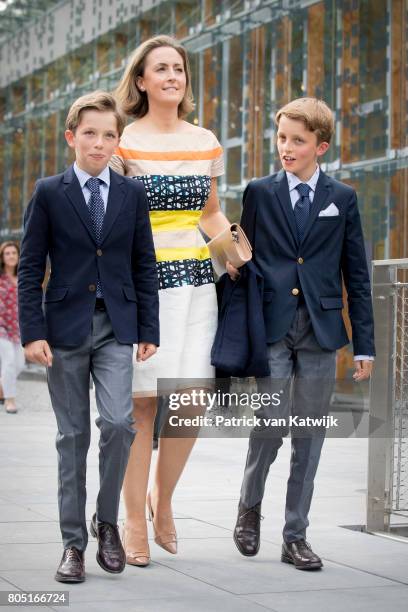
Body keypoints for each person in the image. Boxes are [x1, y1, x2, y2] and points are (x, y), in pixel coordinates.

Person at [18, 91, 159, 583]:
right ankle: (73, 545)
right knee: (72, 436)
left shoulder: (131, 194)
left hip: (118, 326)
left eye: (109, 135)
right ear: (71, 137)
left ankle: (107, 522)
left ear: (118, 141)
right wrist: (31, 332)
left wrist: (149, 328)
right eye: (91, 133)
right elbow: (31, 265)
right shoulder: (50, 192)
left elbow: (144, 263)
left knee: (120, 424)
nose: (100, 143)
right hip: (64, 330)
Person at [232, 97, 375, 570]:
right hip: (272, 327)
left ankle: (295, 536)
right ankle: (249, 511)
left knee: (309, 436)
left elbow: (357, 274)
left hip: (321, 329)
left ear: (321, 146)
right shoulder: (259, 192)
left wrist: (364, 345)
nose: (286, 148)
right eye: (281, 139)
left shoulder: (343, 198)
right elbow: (243, 264)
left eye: (297, 140)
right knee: (269, 425)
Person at [110, 35, 230, 566]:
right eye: (160, 68)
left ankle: (165, 500)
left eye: (178, 68)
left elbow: (210, 216)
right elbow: (111, 222)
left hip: (197, 286)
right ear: (141, 80)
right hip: (143, 288)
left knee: (190, 400)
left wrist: (240, 255)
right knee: (141, 405)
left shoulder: (205, 142)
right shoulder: (124, 142)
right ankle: (132, 515)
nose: (172, 76)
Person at [0, 241, 25, 414]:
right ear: (2, 257)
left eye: (13, 253)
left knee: (20, 365)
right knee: (9, 362)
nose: (11, 256)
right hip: (1, 328)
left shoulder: (24, 278)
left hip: (19, 328)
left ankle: (2, 388)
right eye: (7, 253)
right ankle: (10, 400)